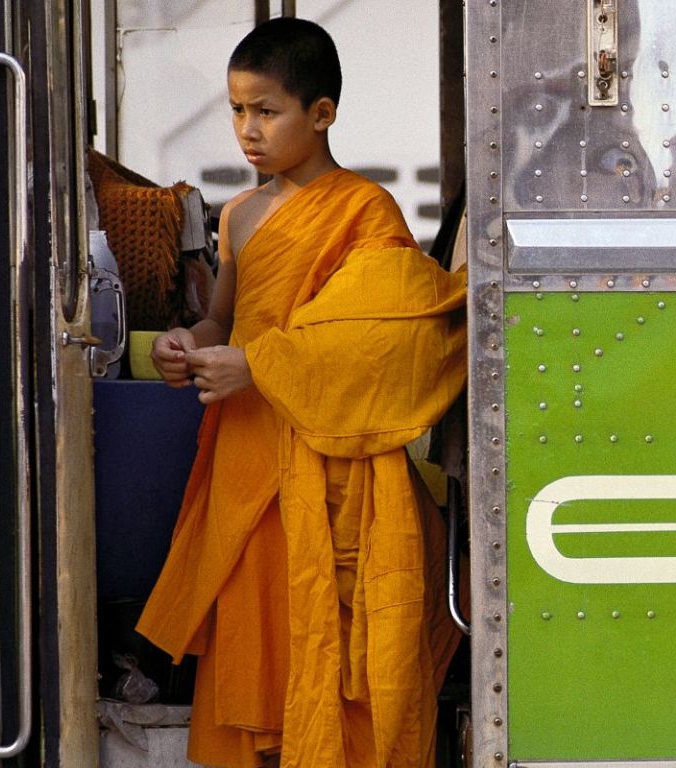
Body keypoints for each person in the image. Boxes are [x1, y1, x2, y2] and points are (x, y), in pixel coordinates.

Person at [136, 18, 465, 768]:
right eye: (237, 109)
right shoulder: (241, 216)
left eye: (267, 110)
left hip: (331, 458)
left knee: (338, 653)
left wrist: (259, 366)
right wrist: (187, 348)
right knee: (260, 643)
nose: (247, 130)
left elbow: (384, 336)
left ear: (322, 114)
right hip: (248, 456)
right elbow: (225, 319)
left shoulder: (365, 211)